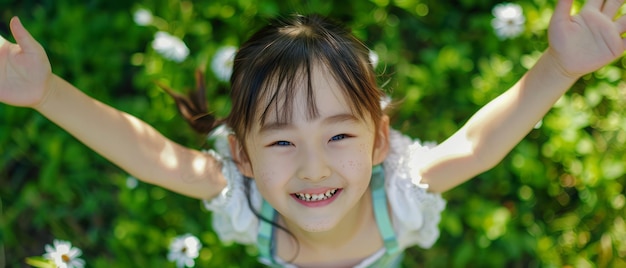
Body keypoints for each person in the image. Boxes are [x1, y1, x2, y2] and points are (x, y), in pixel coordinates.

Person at [1, 0, 624, 266]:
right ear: (240, 155)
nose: (314, 167)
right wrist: (45, 94)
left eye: (338, 136)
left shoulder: (399, 190)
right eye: (279, 141)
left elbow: (478, 145)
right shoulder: (240, 194)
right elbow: (149, 155)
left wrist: (560, 67)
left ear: (380, 141)